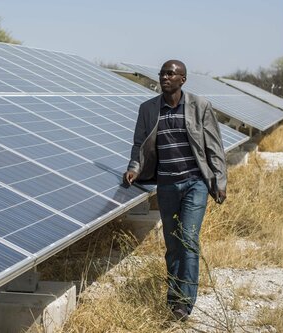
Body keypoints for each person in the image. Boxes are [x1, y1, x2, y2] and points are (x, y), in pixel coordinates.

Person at [122, 60, 227, 322]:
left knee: (188, 241)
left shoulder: (199, 106)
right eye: (162, 73)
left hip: (195, 183)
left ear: (183, 79)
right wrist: (134, 168)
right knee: (172, 245)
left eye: (171, 73)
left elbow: (214, 146)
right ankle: (174, 296)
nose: (165, 77)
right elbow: (139, 145)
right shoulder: (148, 109)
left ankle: (183, 304)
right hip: (166, 185)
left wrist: (219, 181)